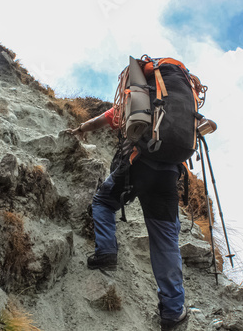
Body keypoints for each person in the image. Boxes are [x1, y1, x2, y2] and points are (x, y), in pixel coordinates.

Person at [66, 107, 188, 328]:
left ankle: (106, 253)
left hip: (137, 164)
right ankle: (172, 312)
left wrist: (80, 128)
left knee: (103, 202)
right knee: (166, 241)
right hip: (169, 173)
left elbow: (101, 120)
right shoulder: (181, 105)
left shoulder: (137, 98)